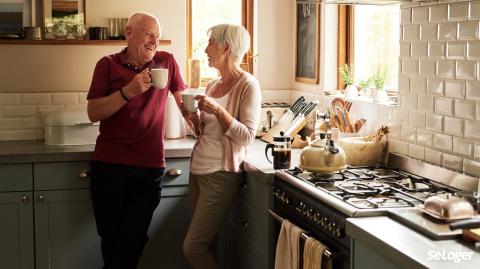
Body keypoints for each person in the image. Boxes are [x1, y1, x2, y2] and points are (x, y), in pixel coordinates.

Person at [86, 12, 187, 269]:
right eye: (149, 33)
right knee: (112, 241)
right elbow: (93, 113)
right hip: (109, 166)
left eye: (158, 36)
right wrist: (128, 91)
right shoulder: (106, 65)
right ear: (129, 33)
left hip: (148, 168)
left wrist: (201, 118)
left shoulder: (166, 62)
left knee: (131, 240)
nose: (155, 41)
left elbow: (183, 100)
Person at [182, 23, 261, 269]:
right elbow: (205, 134)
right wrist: (193, 119)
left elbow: (247, 136)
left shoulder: (248, 85)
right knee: (206, 246)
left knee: (193, 248)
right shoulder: (212, 85)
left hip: (220, 175)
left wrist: (217, 110)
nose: (206, 49)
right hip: (198, 172)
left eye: (210, 44)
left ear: (226, 48)